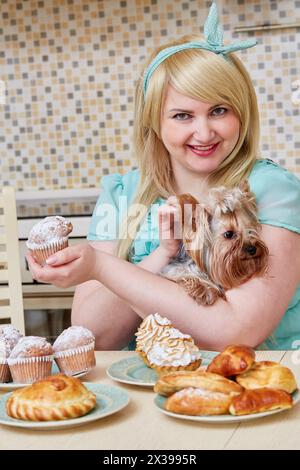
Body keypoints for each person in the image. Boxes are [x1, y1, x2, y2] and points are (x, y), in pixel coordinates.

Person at [27, 3, 300, 351]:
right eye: (182, 115)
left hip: (254, 391)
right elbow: (97, 337)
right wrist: (162, 254)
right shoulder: (126, 197)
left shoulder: (270, 189)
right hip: (146, 394)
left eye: (219, 110)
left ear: (242, 112)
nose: (204, 132)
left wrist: (102, 267)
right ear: (154, 122)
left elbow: (236, 332)